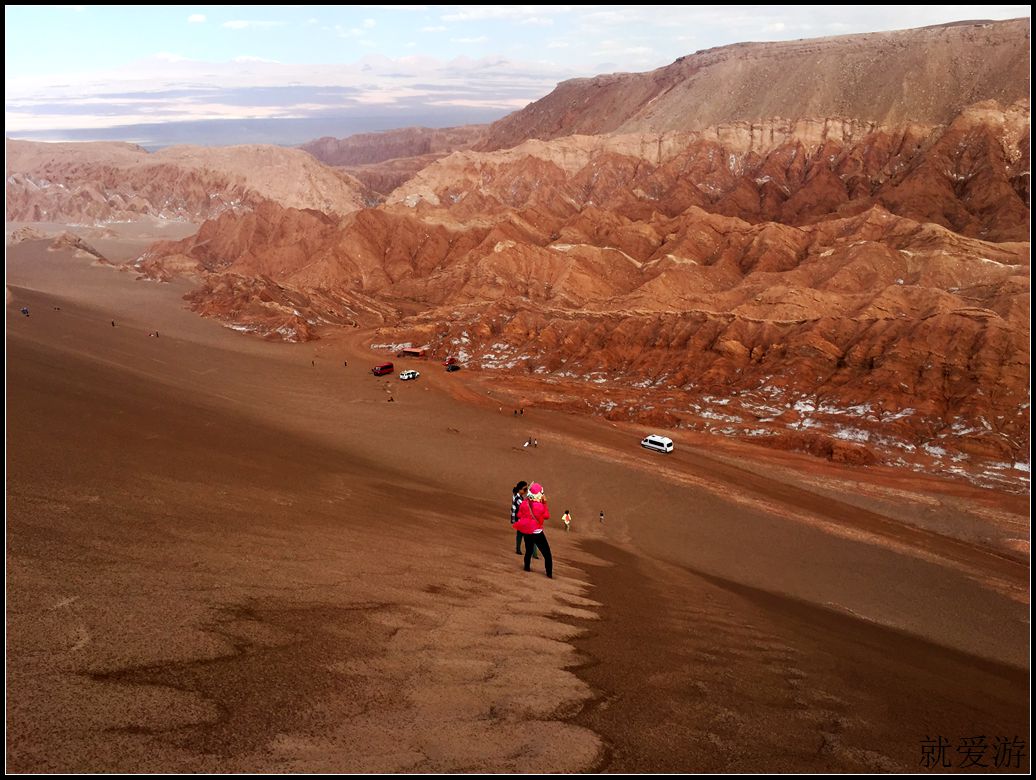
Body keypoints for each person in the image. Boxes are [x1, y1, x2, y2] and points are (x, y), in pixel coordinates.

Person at [514, 482, 552, 577]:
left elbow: (519, 515)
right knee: (547, 554)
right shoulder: (539, 506)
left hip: (527, 532)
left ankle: (527, 567)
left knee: (528, 551)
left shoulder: (524, 503)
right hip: (537, 532)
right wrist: (545, 503)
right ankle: (549, 573)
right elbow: (547, 516)